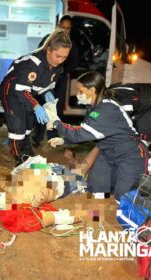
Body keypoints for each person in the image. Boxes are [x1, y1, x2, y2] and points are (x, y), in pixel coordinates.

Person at [47, 71, 149, 201]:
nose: (78, 95)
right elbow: (86, 133)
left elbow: (79, 134)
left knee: (124, 198)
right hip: (108, 154)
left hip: (129, 156)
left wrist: (57, 123)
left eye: (80, 91)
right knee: (96, 191)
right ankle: (102, 207)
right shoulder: (94, 108)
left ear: (92, 90)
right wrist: (64, 139)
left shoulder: (106, 109)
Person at [0, 29, 72, 166]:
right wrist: (36, 106)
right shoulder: (33, 64)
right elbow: (21, 91)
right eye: (58, 56)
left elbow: (44, 85)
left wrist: (47, 93)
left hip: (28, 93)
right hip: (12, 91)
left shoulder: (58, 68)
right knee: (17, 124)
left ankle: (26, 151)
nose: (60, 60)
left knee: (29, 123)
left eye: (64, 57)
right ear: (49, 50)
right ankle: (18, 157)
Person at [32, 15, 79, 147]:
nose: (65, 31)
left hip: (60, 80)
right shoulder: (49, 39)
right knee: (42, 107)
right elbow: (38, 53)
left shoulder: (72, 44)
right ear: (58, 26)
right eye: (62, 27)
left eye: (68, 29)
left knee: (56, 108)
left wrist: (63, 69)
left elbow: (74, 62)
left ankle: (53, 137)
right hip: (43, 79)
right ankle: (37, 137)